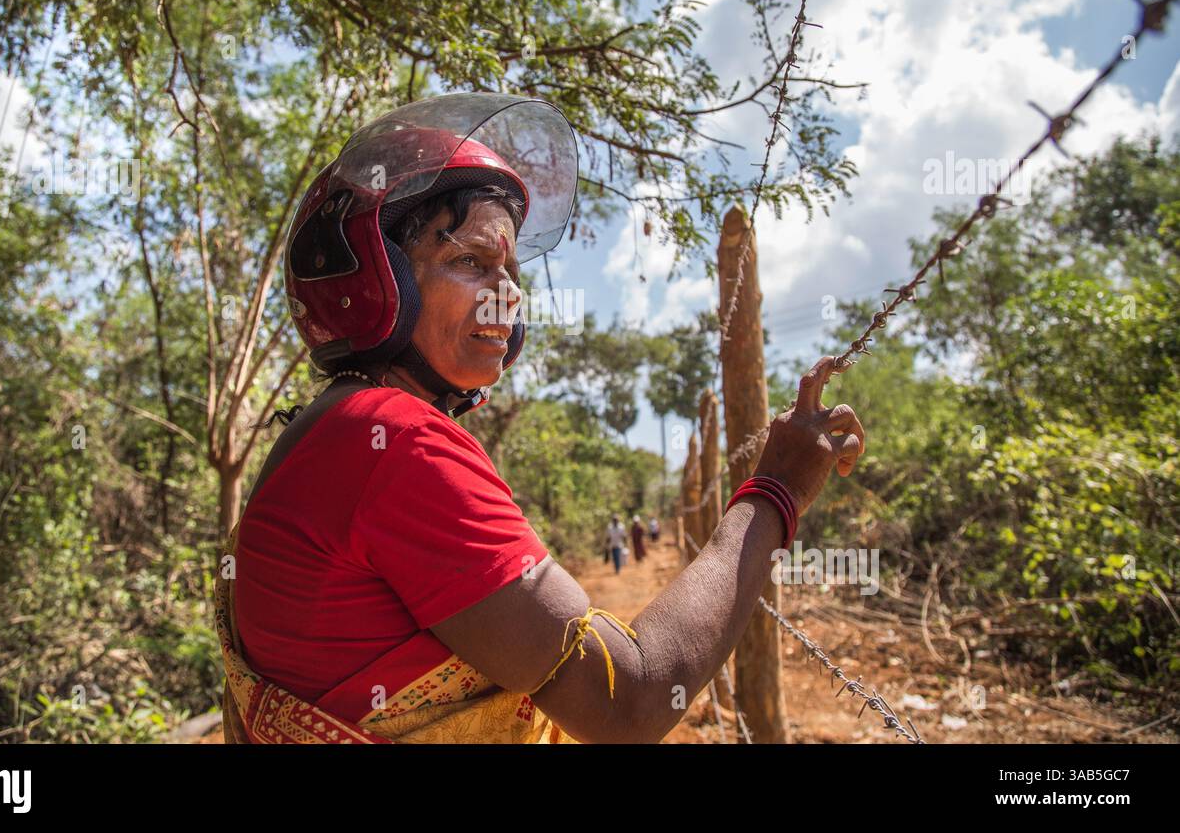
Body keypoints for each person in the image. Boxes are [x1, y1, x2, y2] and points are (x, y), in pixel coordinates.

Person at [216, 92, 867, 745]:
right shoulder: (396, 443)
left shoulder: (329, 432)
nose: (508, 296)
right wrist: (775, 491)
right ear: (379, 280)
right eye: (471, 261)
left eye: (511, 270)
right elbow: (631, 697)